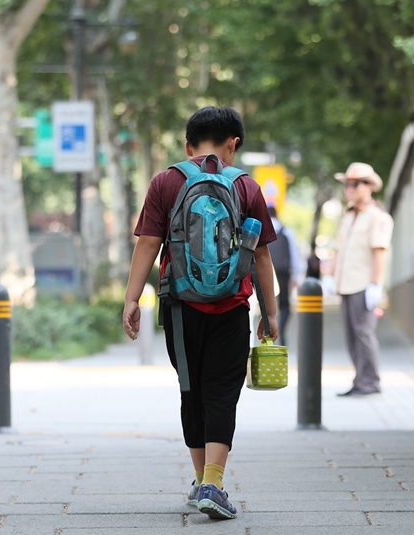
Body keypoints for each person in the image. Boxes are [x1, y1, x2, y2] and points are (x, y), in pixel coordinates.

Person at [122, 106, 279, 520]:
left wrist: (132, 299)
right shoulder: (245, 186)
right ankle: (213, 481)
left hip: (178, 307)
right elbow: (261, 256)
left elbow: (147, 244)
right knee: (223, 391)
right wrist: (271, 311)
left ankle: (201, 482)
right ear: (234, 143)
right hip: (231, 307)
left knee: (191, 391)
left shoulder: (166, 181)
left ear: (188, 145)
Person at [332, 162, 394, 397]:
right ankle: (360, 379)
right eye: (347, 184)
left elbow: (380, 252)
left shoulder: (377, 217)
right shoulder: (349, 215)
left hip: (362, 284)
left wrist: (375, 285)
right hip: (346, 284)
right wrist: (331, 275)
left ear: (368, 186)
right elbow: (340, 250)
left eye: (354, 184)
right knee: (351, 335)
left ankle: (370, 382)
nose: (349, 188)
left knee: (363, 334)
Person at [266, 204, 301, 346]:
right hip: (283, 272)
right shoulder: (286, 231)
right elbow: (294, 255)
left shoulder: (262, 230)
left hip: (267, 272)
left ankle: (268, 333)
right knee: (285, 305)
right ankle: (281, 330)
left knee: (268, 303)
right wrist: (296, 276)